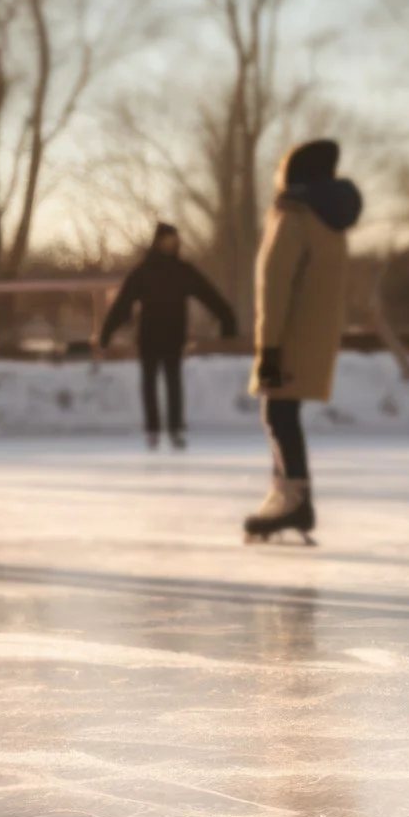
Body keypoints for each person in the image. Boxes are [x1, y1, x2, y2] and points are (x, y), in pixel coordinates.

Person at [244, 139, 362, 543]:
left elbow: (274, 285)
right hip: (316, 334)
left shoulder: (291, 215)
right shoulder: (330, 220)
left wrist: (269, 347)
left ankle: (294, 499)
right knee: (282, 412)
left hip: (288, 333)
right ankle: (287, 496)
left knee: (278, 413)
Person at [97, 222, 238, 450]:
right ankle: (152, 429)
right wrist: (106, 332)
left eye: (175, 241)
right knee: (150, 382)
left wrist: (227, 318)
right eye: (168, 240)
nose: (172, 244)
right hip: (149, 337)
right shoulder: (144, 271)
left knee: (173, 382)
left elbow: (209, 295)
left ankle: (175, 428)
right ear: (158, 241)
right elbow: (123, 304)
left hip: (173, 337)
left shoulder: (182, 271)